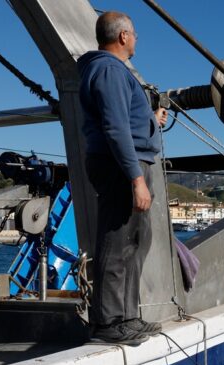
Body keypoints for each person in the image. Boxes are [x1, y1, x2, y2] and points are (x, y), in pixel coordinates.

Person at [77, 11, 168, 345]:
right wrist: (135, 178)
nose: (137, 40)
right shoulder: (109, 69)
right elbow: (114, 128)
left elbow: (124, 119)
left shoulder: (109, 71)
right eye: (135, 34)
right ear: (123, 36)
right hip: (120, 166)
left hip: (127, 162)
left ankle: (127, 317)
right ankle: (107, 322)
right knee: (117, 242)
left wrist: (149, 118)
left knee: (136, 243)